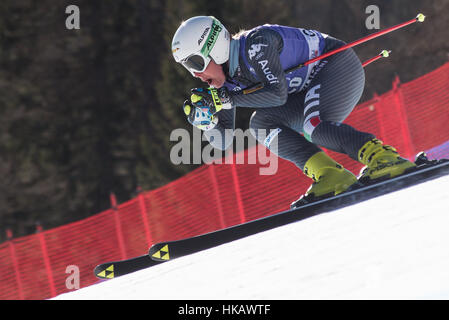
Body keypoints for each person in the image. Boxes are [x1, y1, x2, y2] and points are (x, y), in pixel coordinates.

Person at [171, 16, 416, 208]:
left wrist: (227, 99)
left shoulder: (257, 44)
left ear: (216, 49)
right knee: (261, 125)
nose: (196, 74)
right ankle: (330, 175)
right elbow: (223, 141)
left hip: (337, 66)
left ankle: (383, 158)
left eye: (195, 63)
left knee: (313, 125)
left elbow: (277, 94)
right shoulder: (225, 83)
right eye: (187, 68)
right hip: (308, 90)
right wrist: (207, 123)